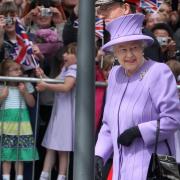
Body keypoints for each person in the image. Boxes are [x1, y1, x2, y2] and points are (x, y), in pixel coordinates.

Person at [95, 13, 180, 180]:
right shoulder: (115, 74)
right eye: (123, 50)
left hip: (153, 164)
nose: (129, 55)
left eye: (134, 48)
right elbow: (108, 123)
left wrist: (139, 131)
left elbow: (173, 118)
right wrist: (99, 154)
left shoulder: (158, 72)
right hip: (122, 164)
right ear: (115, 53)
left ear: (142, 48)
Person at [36, 42, 77, 180]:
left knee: (62, 147)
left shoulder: (74, 69)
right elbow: (55, 82)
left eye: (69, 52)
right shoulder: (66, 69)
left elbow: (66, 87)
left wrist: (45, 85)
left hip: (66, 112)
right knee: (51, 145)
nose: (64, 55)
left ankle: (61, 175)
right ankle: (45, 174)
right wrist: (44, 77)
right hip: (59, 111)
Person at [0, 60, 39, 180]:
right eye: (15, 70)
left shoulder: (25, 84)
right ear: (6, 72)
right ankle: (6, 177)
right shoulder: (2, 86)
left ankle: (19, 177)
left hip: (22, 124)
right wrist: (2, 96)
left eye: (20, 69)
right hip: (7, 124)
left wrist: (25, 93)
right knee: (7, 152)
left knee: (19, 153)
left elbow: (32, 104)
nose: (19, 72)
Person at [95, 0, 163, 62]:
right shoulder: (107, 36)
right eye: (99, 11)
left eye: (106, 8)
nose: (100, 16)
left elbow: (151, 73)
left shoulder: (143, 37)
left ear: (125, 8)